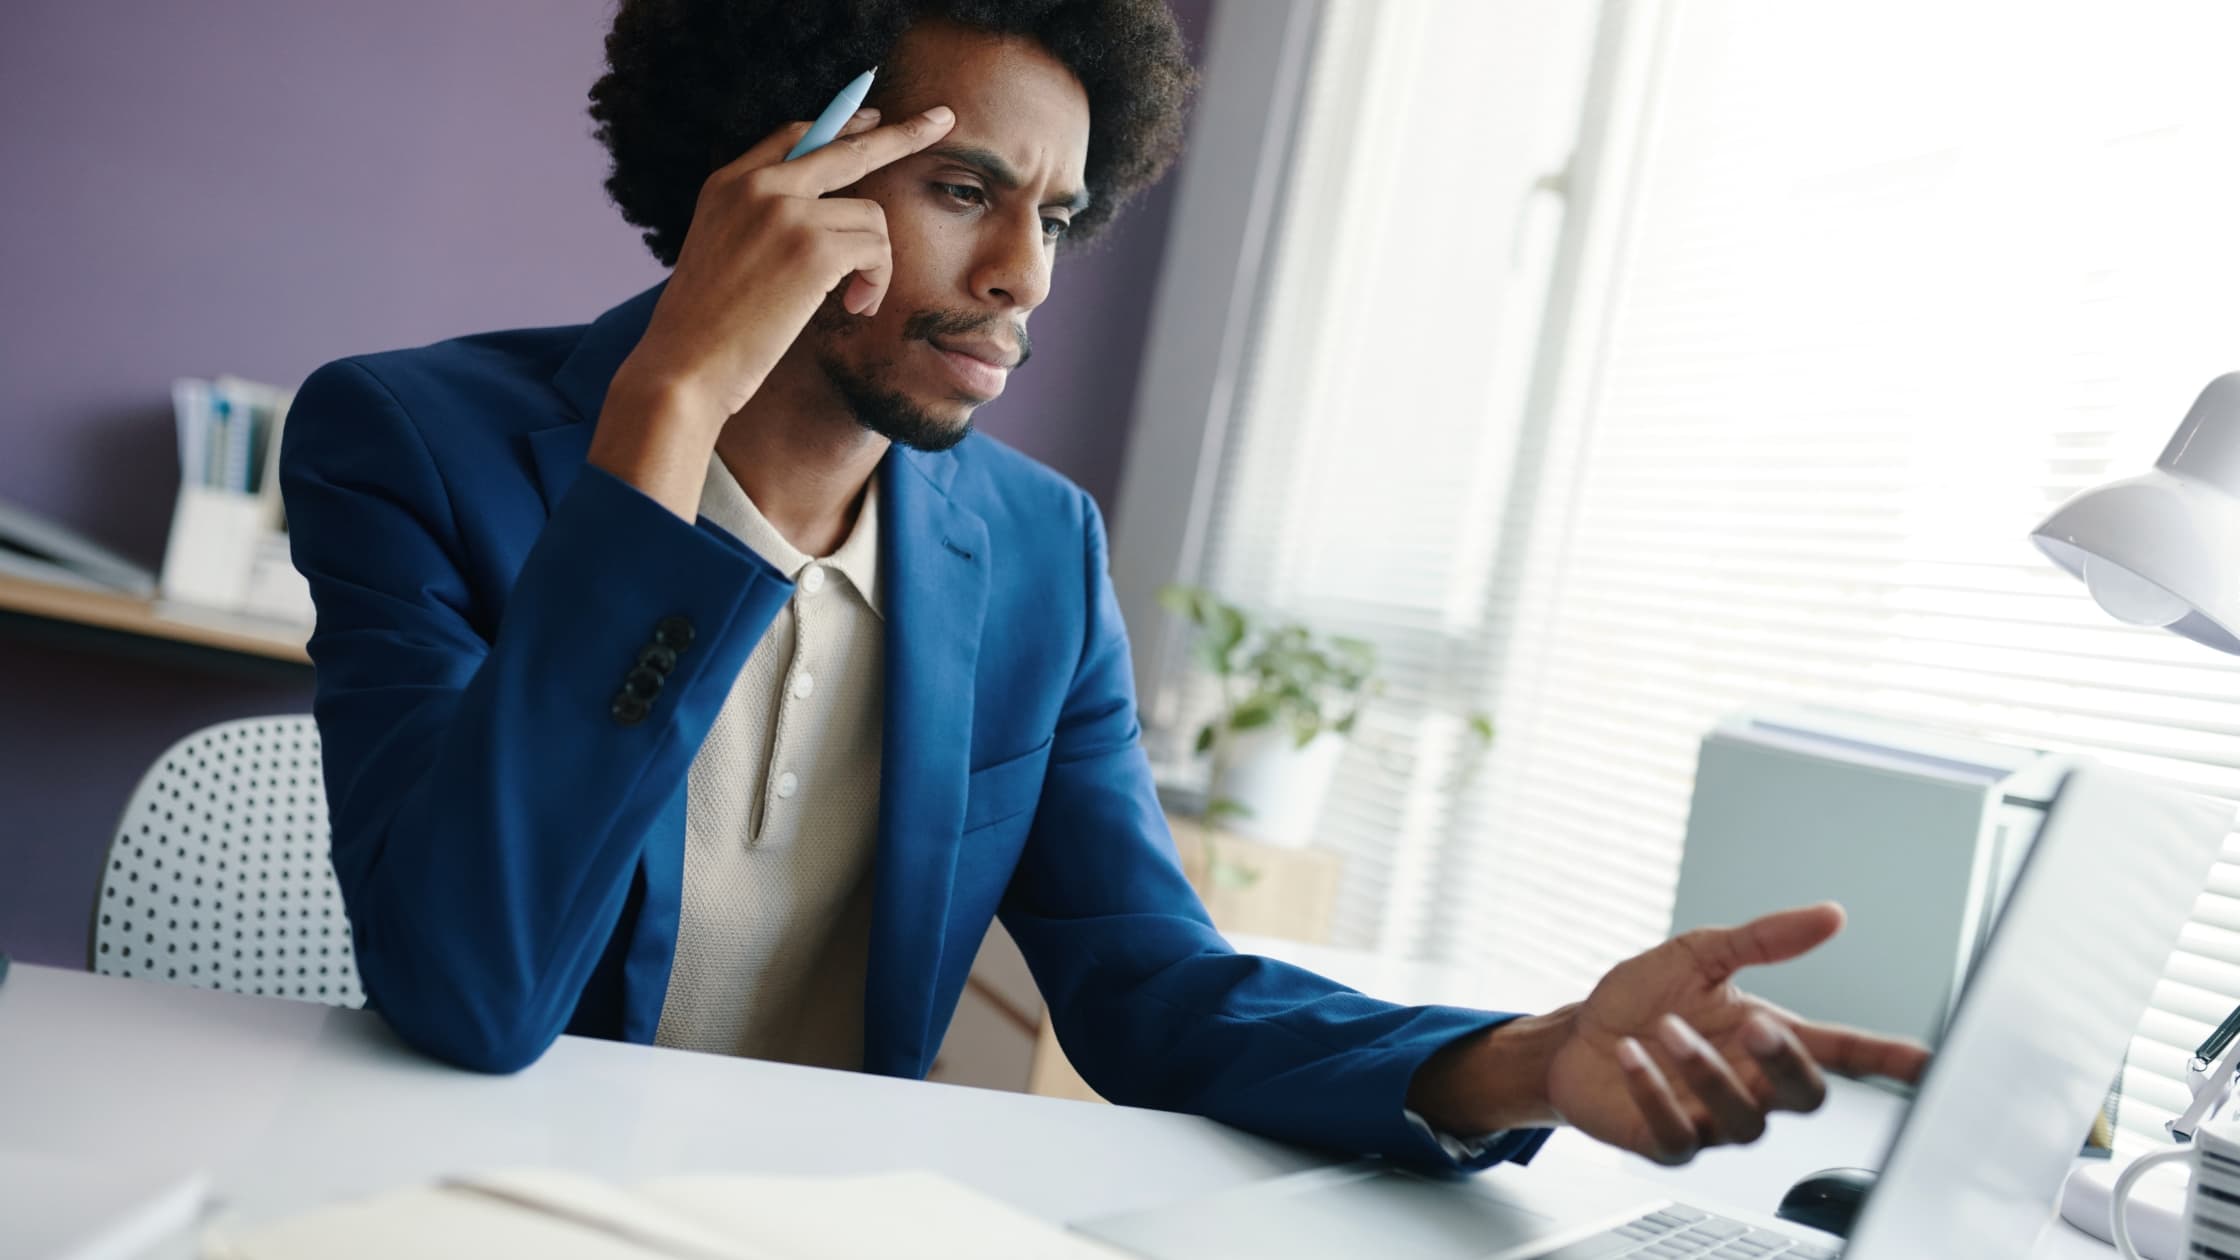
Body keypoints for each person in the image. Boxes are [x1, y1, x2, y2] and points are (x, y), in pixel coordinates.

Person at [280, 0, 1928, 1175]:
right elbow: (471, 990)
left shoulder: (1039, 557)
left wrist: (1521, 1065)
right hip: (450, 1205)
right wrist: (667, 409)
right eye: (962, 190)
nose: (1025, 280)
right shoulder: (413, 444)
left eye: (1060, 214)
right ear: (763, 170)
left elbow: (1150, 986)